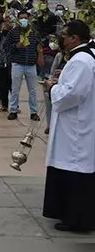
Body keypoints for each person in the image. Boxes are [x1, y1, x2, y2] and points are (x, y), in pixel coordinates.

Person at [42, 19, 95, 233]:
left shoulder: (81, 60)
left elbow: (72, 94)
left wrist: (52, 88)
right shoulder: (85, 56)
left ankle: (77, 218)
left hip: (76, 125)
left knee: (74, 166)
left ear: (74, 38)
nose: (61, 40)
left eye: (64, 36)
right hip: (79, 122)